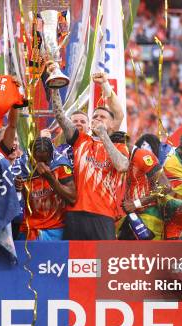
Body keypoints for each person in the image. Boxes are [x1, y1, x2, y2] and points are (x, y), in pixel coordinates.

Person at [47, 62, 129, 240]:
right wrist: (54, 83)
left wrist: (104, 136)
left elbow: (122, 166)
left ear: (112, 124)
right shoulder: (81, 140)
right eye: (95, 117)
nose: (98, 119)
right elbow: (60, 115)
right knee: (73, 264)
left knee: (103, 265)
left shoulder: (119, 147)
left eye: (102, 117)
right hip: (75, 213)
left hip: (103, 214)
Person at [19, 137, 76, 240]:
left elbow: (72, 198)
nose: (41, 165)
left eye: (45, 161)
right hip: (29, 229)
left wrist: (51, 179)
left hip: (56, 228)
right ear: (31, 157)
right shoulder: (21, 167)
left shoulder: (60, 165)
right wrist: (16, 187)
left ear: (51, 156)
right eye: (37, 161)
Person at [120, 135, 170, 240]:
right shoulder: (123, 158)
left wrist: (136, 203)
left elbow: (165, 187)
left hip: (149, 215)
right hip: (130, 217)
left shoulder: (143, 156)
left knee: (148, 254)